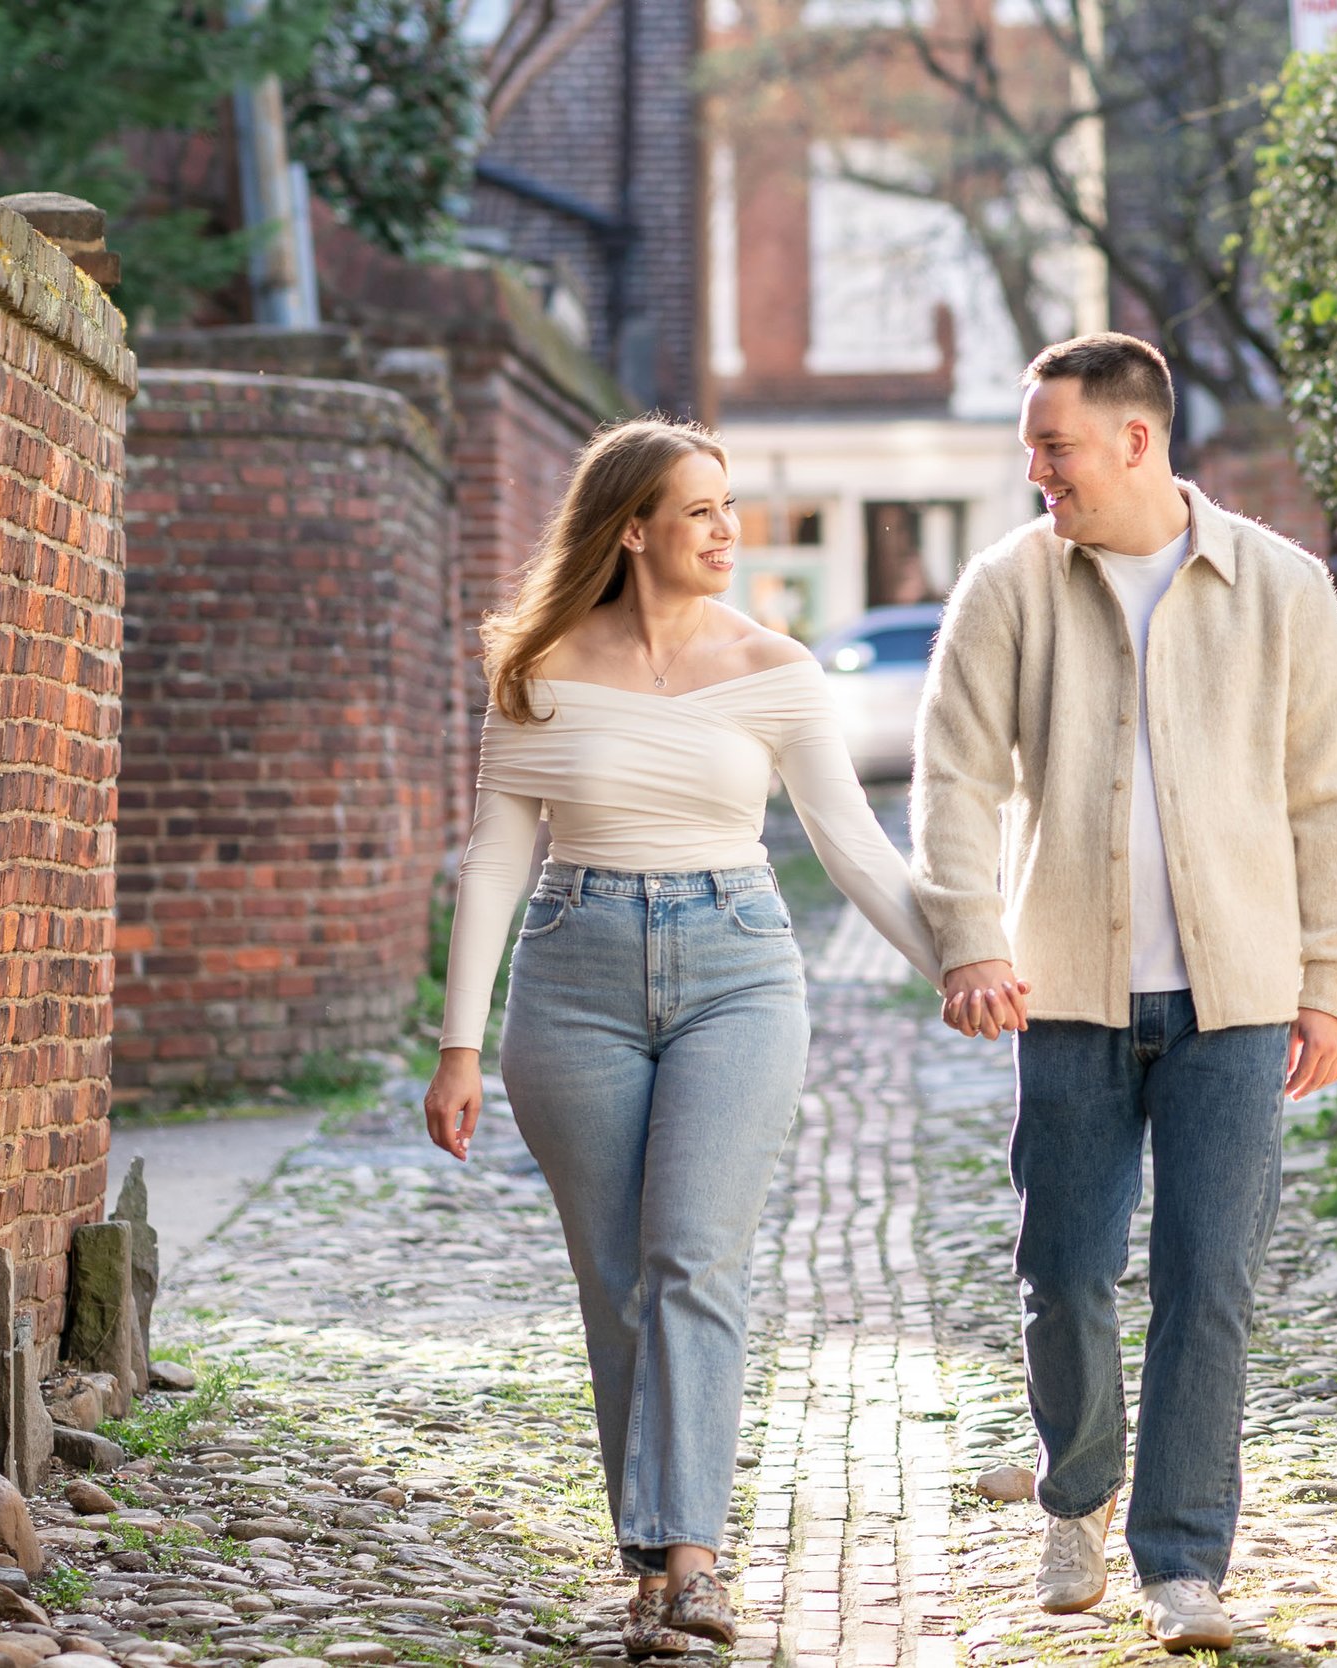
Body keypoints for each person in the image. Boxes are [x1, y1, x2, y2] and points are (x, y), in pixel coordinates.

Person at [420, 417, 977, 1658]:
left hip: (737, 968)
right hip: (572, 975)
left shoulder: (777, 665)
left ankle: (691, 1564)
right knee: (616, 1285)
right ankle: (653, 1551)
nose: (730, 532)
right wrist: (460, 1044)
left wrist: (962, 966)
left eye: (731, 508)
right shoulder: (539, 665)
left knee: (692, 1262)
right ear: (634, 528)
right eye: (702, 510)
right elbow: (498, 850)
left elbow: (851, 846)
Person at [913, 333, 1337, 1651]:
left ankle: (1183, 1564)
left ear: (1135, 438)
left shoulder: (1277, 588)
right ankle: (1078, 1490)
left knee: (1208, 1278)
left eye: (1052, 446)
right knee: (1061, 1267)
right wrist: (969, 938)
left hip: (1236, 997)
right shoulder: (1011, 586)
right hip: (1060, 990)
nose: (1036, 472)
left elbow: (1331, 798)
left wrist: (1330, 981)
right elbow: (952, 779)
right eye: (1028, 450)